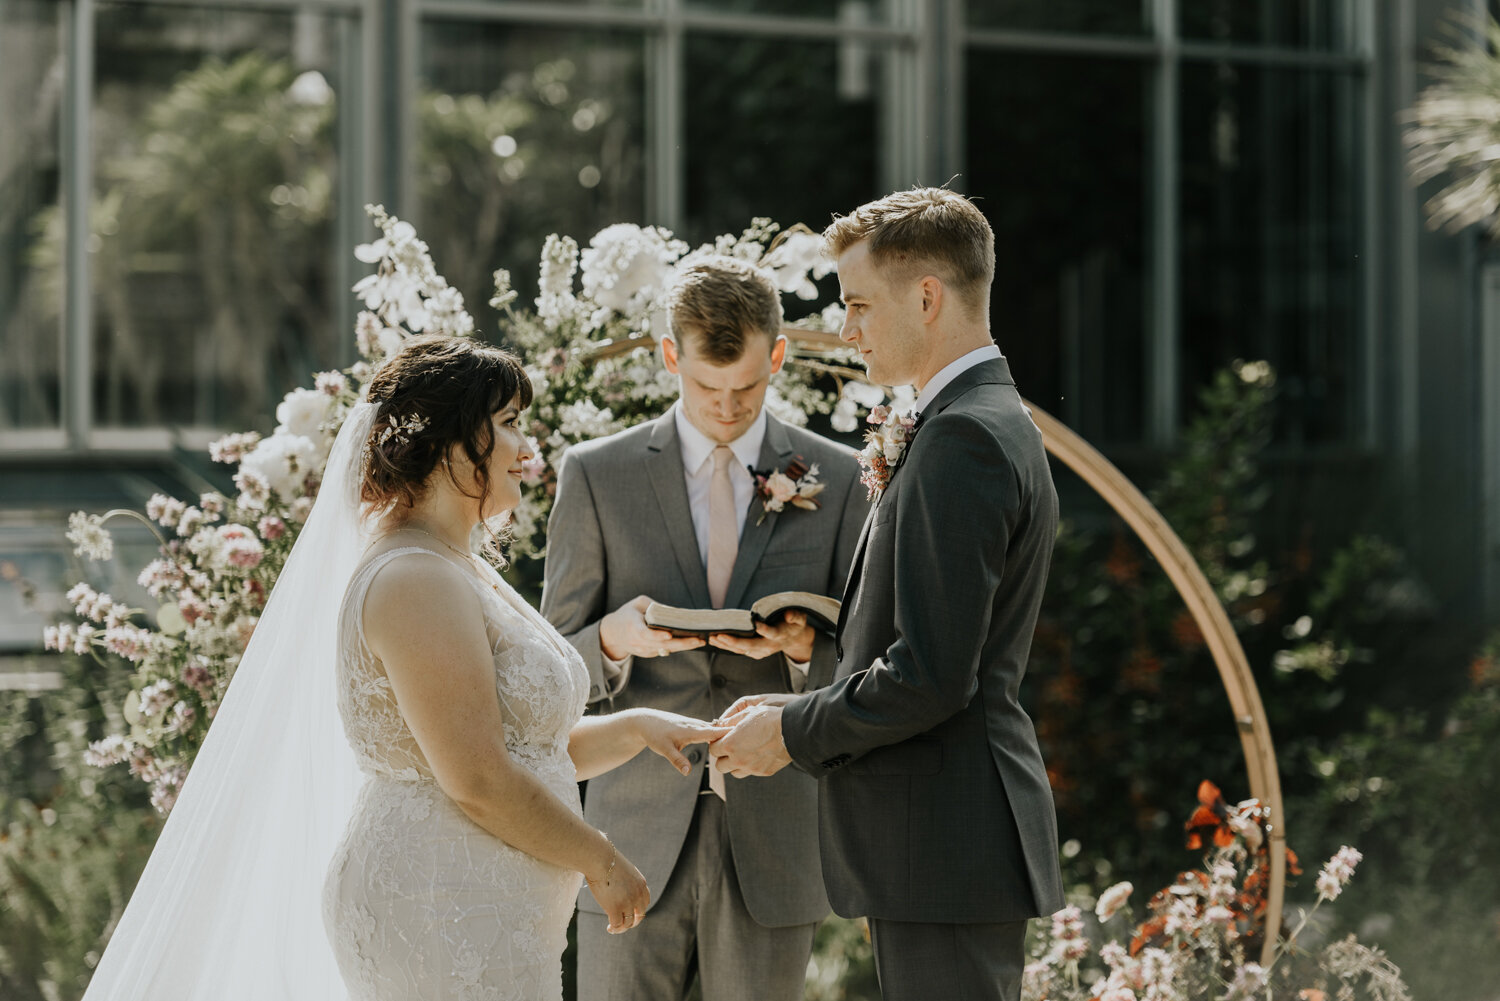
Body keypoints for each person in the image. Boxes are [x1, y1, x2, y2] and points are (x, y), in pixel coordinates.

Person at [80, 335, 718, 1001]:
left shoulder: (454, 564)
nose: (527, 449)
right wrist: (600, 858)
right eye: (507, 425)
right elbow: (474, 776)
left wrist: (637, 727)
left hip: (484, 912)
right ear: (447, 443)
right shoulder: (414, 578)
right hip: (441, 908)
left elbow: (520, 749)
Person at [709, 188, 1065, 1001]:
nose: (846, 328)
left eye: (859, 304)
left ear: (929, 296)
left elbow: (934, 674)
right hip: (943, 842)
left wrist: (791, 730)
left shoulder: (963, 437)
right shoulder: (980, 418)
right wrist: (816, 649)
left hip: (944, 841)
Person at [542, 257, 869, 1001]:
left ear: (778, 357)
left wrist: (801, 650)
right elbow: (548, 668)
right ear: (669, 357)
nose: (727, 407)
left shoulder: (841, 476)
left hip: (775, 838)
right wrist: (614, 641)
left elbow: (870, 661)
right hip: (629, 835)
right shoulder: (596, 474)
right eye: (706, 387)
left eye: (748, 389)